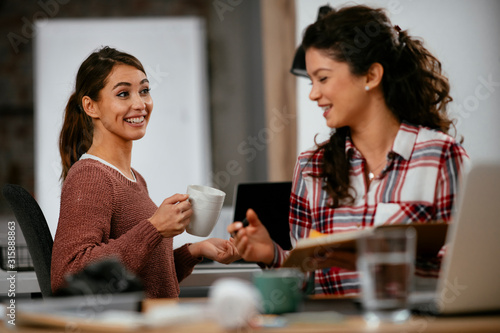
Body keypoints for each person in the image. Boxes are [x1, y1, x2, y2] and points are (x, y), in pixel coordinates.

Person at [228, 5, 470, 296]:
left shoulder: (440, 156)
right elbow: (307, 282)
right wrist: (272, 254)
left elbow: (465, 276)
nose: (313, 94)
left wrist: (375, 262)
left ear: (371, 76)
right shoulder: (311, 167)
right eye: (311, 80)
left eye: (323, 78)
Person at [51, 46, 240, 299]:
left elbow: (146, 273)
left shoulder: (135, 178)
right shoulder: (90, 177)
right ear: (90, 106)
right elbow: (68, 276)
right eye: (123, 94)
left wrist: (195, 250)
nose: (140, 104)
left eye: (144, 90)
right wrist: (154, 228)